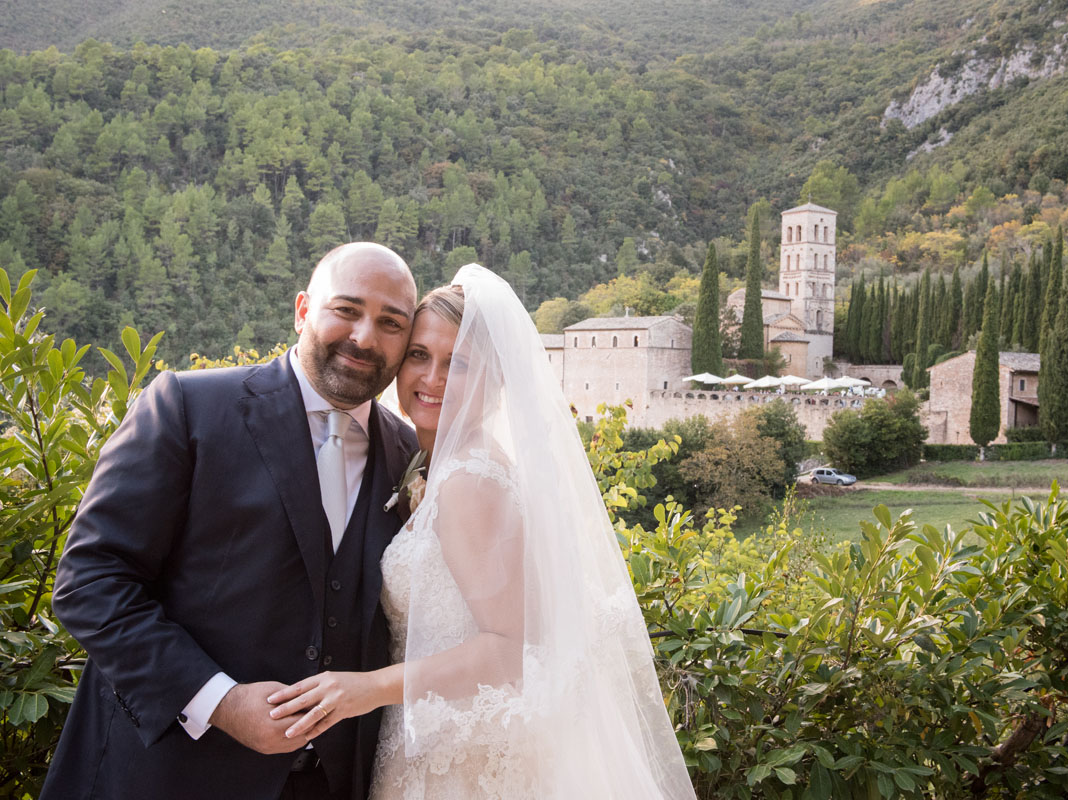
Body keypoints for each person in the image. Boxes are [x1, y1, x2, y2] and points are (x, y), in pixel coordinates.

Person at [267, 265, 696, 799]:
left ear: (496, 377)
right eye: (419, 355)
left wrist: (365, 690)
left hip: (465, 756)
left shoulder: (469, 479)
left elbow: (509, 648)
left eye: (458, 363)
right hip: (437, 733)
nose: (432, 378)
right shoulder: (433, 460)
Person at [43, 242, 422, 800]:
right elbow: (91, 582)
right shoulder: (186, 406)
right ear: (301, 311)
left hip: (336, 783)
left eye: (391, 323)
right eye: (347, 309)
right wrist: (218, 701)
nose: (366, 337)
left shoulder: (409, 452)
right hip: (167, 775)